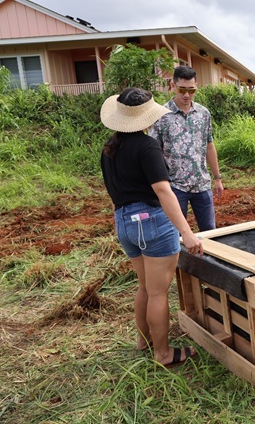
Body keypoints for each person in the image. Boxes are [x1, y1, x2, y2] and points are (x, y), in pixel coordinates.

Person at [100, 87, 204, 367]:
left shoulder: (110, 147)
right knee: (158, 292)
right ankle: (163, 353)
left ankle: (143, 343)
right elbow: (163, 190)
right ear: (146, 117)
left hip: (124, 223)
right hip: (152, 223)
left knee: (144, 287)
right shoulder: (146, 146)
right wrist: (186, 231)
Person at [149, 65, 223, 232]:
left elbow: (209, 146)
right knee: (175, 233)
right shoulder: (161, 115)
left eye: (192, 90)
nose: (187, 95)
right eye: (182, 90)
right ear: (173, 85)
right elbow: (154, 153)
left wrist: (217, 177)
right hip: (175, 187)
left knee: (211, 232)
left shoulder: (203, 113)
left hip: (201, 184)